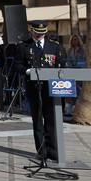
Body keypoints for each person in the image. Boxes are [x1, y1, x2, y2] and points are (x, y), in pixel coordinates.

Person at [17, 20, 66, 163]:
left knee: (51, 120)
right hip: (34, 88)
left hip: (51, 88)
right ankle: (41, 150)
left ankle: (53, 150)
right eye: (36, 33)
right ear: (31, 31)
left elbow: (62, 64)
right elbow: (17, 65)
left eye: (42, 34)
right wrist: (27, 71)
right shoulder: (24, 46)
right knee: (38, 120)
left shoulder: (54, 47)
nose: (39, 36)